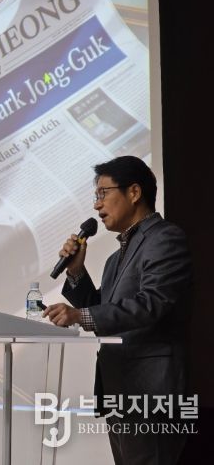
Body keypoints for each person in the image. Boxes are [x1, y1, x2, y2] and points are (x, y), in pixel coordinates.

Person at [43, 156, 192, 465]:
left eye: (103, 193)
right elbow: (103, 310)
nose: (96, 205)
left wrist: (79, 317)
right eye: (95, 195)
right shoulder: (115, 258)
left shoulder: (165, 238)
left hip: (150, 392)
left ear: (134, 192)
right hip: (120, 390)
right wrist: (76, 271)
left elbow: (152, 303)